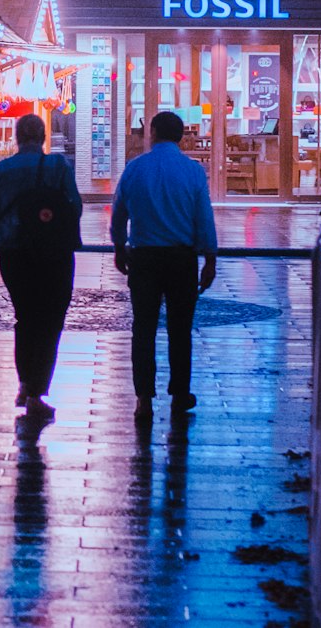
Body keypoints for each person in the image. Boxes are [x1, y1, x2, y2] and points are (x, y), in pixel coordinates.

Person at [111, 110, 218, 425]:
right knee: (180, 329)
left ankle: (143, 398)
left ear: (153, 132)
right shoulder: (193, 172)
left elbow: (119, 213)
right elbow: (204, 218)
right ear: (181, 136)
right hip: (180, 259)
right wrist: (209, 258)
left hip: (143, 257)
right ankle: (179, 394)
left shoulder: (135, 169)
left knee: (142, 328)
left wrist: (119, 246)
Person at [0, 113, 82, 423]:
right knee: (51, 320)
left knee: (25, 317)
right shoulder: (58, 167)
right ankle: (38, 391)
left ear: (16, 137)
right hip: (54, 252)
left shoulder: (2, 169)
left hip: (14, 253)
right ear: (42, 137)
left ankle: (25, 382)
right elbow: (75, 206)